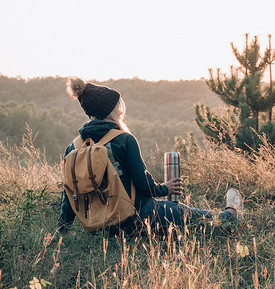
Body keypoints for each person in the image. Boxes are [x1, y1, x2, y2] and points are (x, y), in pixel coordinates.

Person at [57, 77, 244, 236]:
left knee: (180, 215)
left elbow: (70, 196)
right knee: (188, 214)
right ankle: (230, 215)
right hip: (136, 219)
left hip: (100, 228)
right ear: (112, 111)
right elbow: (144, 186)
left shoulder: (73, 148)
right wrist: (165, 188)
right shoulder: (123, 140)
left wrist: (62, 230)